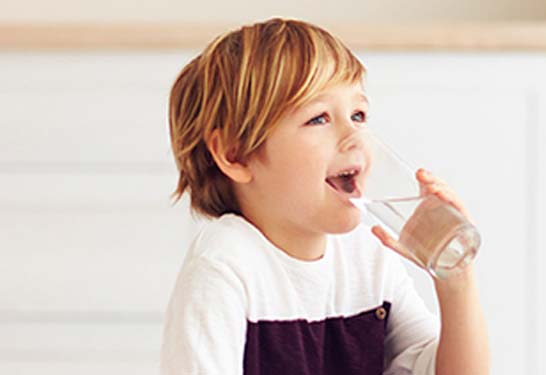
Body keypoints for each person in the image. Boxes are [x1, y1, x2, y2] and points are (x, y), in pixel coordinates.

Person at [159, 17, 489, 375]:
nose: (354, 136)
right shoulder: (225, 268)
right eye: (319, 119)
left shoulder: (369, 256)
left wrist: (455, 281)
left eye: (358, 114)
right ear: (235, 155)